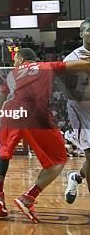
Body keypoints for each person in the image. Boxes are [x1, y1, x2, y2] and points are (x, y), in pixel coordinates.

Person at [0, 48, 90, 223]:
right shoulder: (46, 66)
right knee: (58, 160)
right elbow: (77, 64)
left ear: (20, 59)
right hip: (36, 114)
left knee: (4, 152)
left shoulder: (13, 74)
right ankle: (28, 197)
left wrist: (2, 116)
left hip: (11, 112)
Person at [63, 18, 90, 203]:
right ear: (81, 34)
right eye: (89, 30)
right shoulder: (73, 59)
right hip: (81, 110)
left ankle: (77, 177)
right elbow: (70, 93)